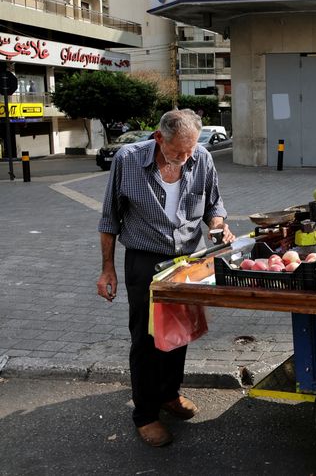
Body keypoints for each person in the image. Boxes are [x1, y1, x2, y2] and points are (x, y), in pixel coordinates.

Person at [96, 109, 234, 447]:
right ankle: (145, 414)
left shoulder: (200, 158)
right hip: (146, 260)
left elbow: (214, 206)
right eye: (178, 152)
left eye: (191, 150)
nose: (186, 158)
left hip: (188, 260)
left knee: (179, 332)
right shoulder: (128, 160)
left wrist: (219, 227)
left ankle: (170, 394)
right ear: (159, 138)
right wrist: (107, 268)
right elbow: (109, 219)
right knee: (146, 338)